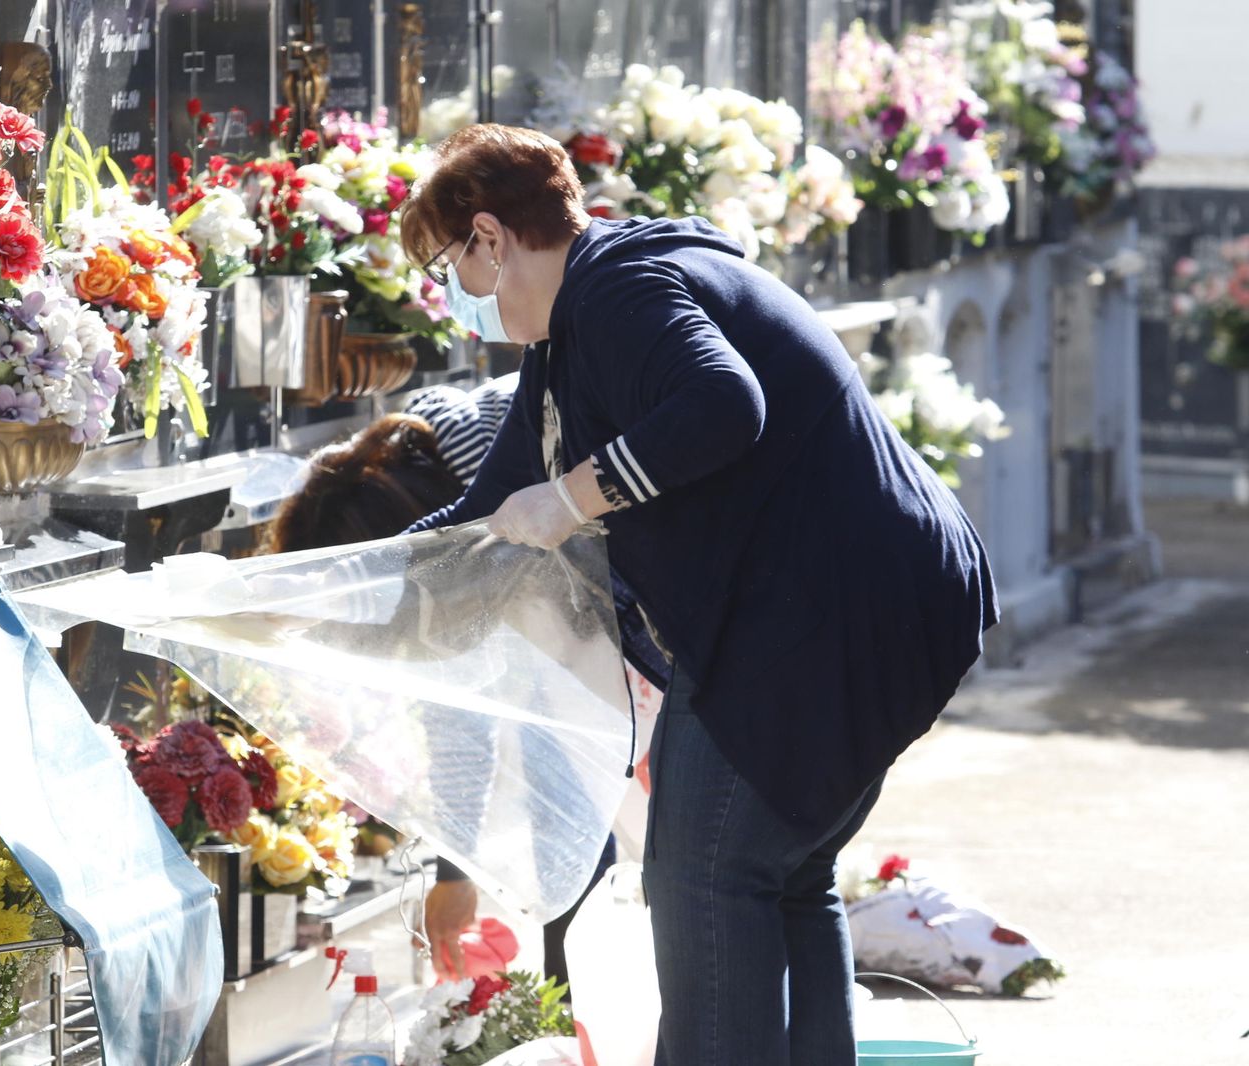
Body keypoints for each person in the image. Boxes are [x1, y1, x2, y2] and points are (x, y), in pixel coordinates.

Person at [398, 124, 997, 1066]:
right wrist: (332, 578)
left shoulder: (620, 288)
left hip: (822, 613)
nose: (453, 301)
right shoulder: (570, 336)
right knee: (785, 876)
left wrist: (571, 498)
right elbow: (481, 509)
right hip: (873, 600)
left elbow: (725, 401)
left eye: (446, 270)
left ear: (489, 238)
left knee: (705, 882)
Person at [263, 412, 628, 987]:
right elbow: (458, 691)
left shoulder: (489, 482)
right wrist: (457, 870)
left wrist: (456, 871)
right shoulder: (417, 469)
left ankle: (586, 1004)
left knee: (565, 793)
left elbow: (460, 701)